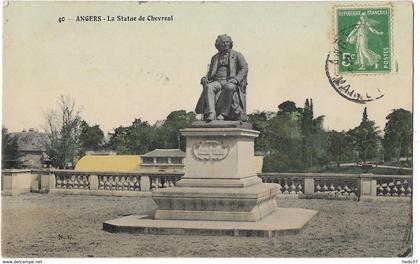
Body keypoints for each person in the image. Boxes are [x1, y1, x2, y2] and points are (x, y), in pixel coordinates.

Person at [195, 34, 248, 122]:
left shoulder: (237, 55)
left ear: (230, 43)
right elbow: (210, 73)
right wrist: (205, 78)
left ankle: (223, 114)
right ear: (218, 45)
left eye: (227, 42)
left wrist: (236, 79)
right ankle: (211, 113)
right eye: (223, 43)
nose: (225, 44)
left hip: (230, 81)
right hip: (218, 81)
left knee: (229, 87)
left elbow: (244, 68)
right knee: (209, 87)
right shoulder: (215, 57)